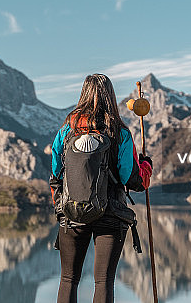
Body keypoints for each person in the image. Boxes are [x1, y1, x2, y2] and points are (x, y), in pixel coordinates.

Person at [49, 73, 153, 303]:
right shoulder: (120, 133)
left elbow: (56, 171)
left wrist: (60, 201)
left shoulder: (67, 130)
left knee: (68, 279)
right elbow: (131, 179)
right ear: (110, 96)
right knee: (103, 281)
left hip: (72, 213)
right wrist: (146, 166)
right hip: (111, 213)